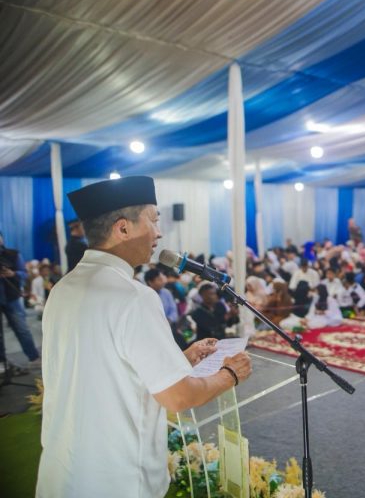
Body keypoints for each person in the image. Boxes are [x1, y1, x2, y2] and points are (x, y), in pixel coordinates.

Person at [37, 176, 252, 497]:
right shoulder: (133, 296)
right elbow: (179, 397)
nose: (159, 233)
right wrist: (229, 374)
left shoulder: (63, 288)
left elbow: (105, 370)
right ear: (123, 228)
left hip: (64, 470)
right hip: (117, 479)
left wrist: (181, 359)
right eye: (153, 220)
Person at [0, 230, 41, 369]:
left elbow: (24, 274)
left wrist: (12, 273)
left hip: (12, 298)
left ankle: (34, 357)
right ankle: (2, 363)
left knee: (22, 329)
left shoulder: (13, 254)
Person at [145, 267, 185, 349]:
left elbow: (173, 310)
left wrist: (168, 320)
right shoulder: (146, 295)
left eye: (162, 278)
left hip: (169, 325)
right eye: (159, 279)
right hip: (153, 329)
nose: (163, 281)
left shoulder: (166, 292)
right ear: (150, 282)